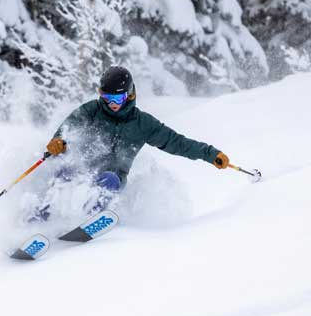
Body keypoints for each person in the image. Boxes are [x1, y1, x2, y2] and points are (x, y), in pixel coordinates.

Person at [32, 66, 229, 221]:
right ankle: (40, 217)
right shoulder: (91, 110)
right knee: (66, 173)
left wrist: (210, 154)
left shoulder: (143, 124)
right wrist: (58, 141)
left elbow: (177, 142)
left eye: (117, 97)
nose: (112, 103)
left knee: (109, 180)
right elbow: (69, 126)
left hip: (112, 178)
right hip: (84, 167)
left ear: (130, 94)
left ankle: (88, 221)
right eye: (107, 98)